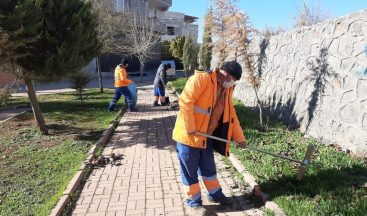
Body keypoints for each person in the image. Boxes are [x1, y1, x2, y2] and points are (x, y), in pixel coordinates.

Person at [172, 61, 247, 208]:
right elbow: (185, 102)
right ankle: (194, 201)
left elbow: (232, 116)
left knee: (209, 168)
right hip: (189, 136)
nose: (233, 84)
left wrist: (240, 138)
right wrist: (191, 127)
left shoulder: (226, 91)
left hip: (206, 137)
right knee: (189, 171)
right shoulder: (201, 79)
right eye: (233, 80)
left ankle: (215, 194)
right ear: (226, 75)